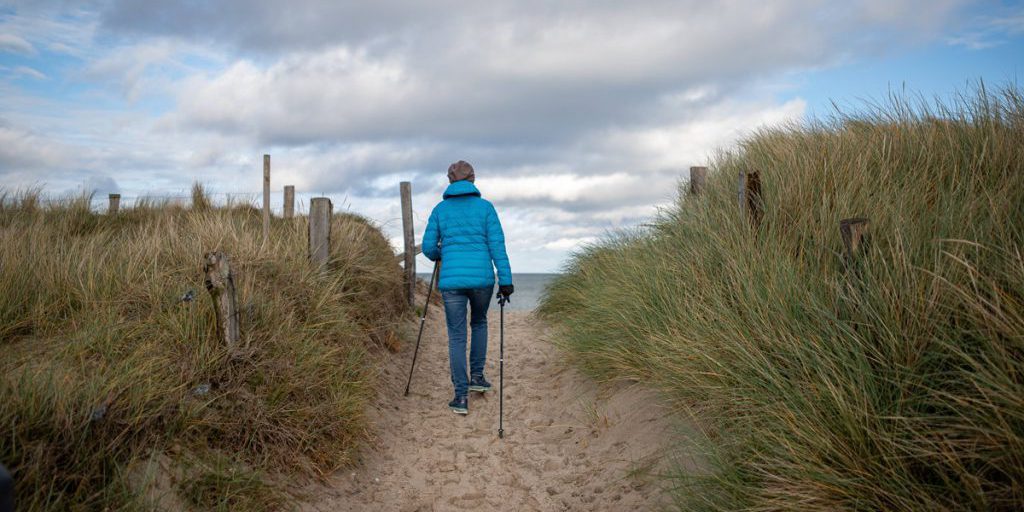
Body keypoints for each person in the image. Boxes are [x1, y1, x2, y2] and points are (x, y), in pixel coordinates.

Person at [422, 160, 513, 415]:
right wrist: (506, 280)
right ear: (472, 179)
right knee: (480, 323)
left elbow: (428, 247)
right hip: (482, 280)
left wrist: (443, 253)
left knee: (457, 335)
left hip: (452, 282)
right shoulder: (486, 208)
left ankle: (460, 396)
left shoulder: (440, 209)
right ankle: (477, 377)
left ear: (450, 180)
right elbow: (497, 246)